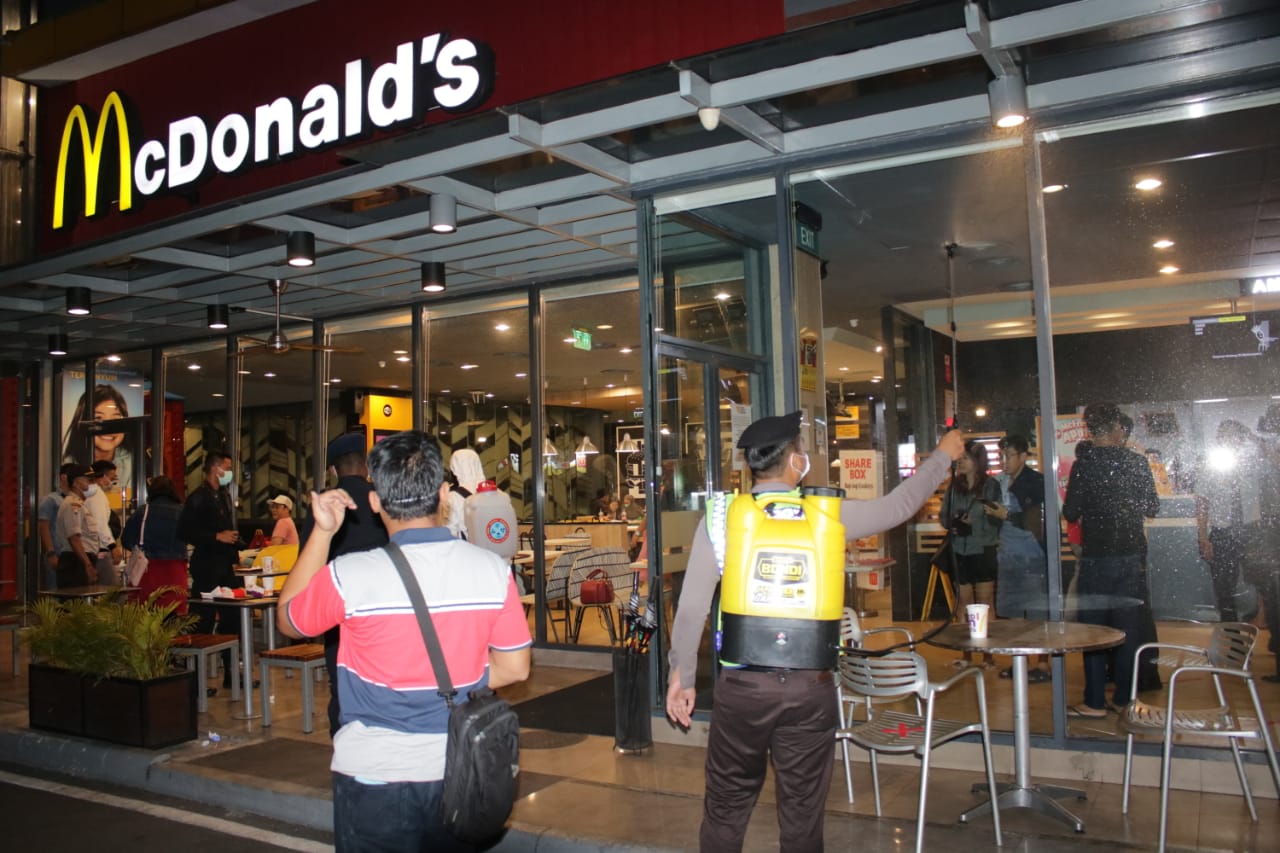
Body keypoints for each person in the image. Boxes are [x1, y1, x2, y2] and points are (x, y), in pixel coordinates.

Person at [665, 411, 965, 852]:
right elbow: (900, 506)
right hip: (811, 689)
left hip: (743, 689)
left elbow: (691, 609)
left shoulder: (722, 517)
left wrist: (682, 677)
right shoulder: (828, 513)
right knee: (803, 813)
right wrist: (942, 457)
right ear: (793, 461)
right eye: (802, 450)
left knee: (727, 806)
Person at [277, 430, 532, 852]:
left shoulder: (349, 575)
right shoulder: (492, 570)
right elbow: (515, 668)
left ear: (375, 502)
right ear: (444, 494)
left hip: (374, 774)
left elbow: (290, 620)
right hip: (459, 771)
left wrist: (322, 533)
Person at [1062, 402, 1160, 718]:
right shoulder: (1135, 462)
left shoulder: (1085, 465)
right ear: (1116, 426)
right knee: (1128, 632)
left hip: (1096, 557)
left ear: (1089, 429)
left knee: (1094, 632)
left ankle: (1093, 701)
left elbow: (1070, 512)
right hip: (1131, 556)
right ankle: (1124, 698)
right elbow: (1152, 507)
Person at [299, 431, 390, 738]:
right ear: (366, 467)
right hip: (384, 609)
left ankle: (345, 745)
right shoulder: (381, 502)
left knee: (342, 683)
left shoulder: (322, 507)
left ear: (332, 470)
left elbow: (307, 565)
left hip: (336, 611)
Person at [986, 434, 1051, 682]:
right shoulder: (998, 482)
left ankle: (1042, 665)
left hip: (1032, 557)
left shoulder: (1035, 482)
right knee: (1012, 612)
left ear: (1024, 456)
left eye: (1008, 455)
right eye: (1000, 455)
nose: (1003, 460)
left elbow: (1037, 523)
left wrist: (1006, 515)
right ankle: (1020, 662)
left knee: (1037, 613)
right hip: (1008, 555)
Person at [179, 451, 244, 694]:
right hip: (206, 565)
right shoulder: (198, 498)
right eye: (226, 467)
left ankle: (231, 673)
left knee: (231, 619)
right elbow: (185, 531)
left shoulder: (223, 496)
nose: (229, 472)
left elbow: (226, 529)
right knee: (203, 621)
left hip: (225, 564)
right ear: (215, 468)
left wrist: (234, 550)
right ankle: (194, 680)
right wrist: (216, 537)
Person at [1195, 419, 1267, 622]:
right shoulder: (1212, 465)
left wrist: (1251, 435)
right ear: (1219, 439)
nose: (1229, 439)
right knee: (1224, 587)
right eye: (1224, 435)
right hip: (1222, 531)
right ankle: (1230, 630)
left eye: (1234, 435)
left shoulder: (1252, 461)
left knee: (1262, 579)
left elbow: (1269, 455)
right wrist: (1202, 538)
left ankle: (1261, 616)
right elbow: (1202, 503)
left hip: (1251, 529)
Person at [940, 439, 1001, 669]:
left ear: (977, 462)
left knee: (985, 604)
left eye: (965, 458)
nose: (961, 462)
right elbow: (943, 516)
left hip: (983, 549)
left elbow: (998, 516)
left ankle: (987, 655)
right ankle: (966, 654)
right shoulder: (954, 487)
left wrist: (977, 522)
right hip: (960, 549)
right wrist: (955, 522)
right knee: (964, 604)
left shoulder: (991, 486)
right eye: (960, 458)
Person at [121, 476, 189, 614]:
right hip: (175, 570)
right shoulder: (182, 511)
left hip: (147, 570)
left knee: (145, 613)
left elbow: (126, 540)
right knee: (173, 613)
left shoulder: (143, 511)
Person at [62, 384, 135, 497]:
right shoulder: (69, 464)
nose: (108, 429)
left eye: (115, 420)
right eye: (98, 418)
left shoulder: (132, 462)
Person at [54, 463, 98, 587]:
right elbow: (74, 538)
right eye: (88, 481)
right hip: (75, 561)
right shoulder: (72, 505)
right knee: (76, 603)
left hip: (81, 559)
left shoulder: (80, 504)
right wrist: (87, 565)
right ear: (76, 483)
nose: (92, 484)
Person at [83, 459, 122, 582]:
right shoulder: (96, 495)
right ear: (102, 476)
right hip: (99, 550)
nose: (112, 482)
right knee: (111, 591)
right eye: (111, 477)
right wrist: (112, 546)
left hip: (92, 548)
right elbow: (100, 524)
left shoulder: (88, 494)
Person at [37, 464, 73, 590]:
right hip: (57, 552)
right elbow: (44, 527)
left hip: (72, 553)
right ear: (64, 478)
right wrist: (50, 553)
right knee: (55, 588)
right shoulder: (50, 500)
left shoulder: (76, 500)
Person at [444, 447, 485, 539]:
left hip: (467, 551)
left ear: (455, 468)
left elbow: (449, 532)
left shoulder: (453, 498)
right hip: (495, 551)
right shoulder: (497, 494)